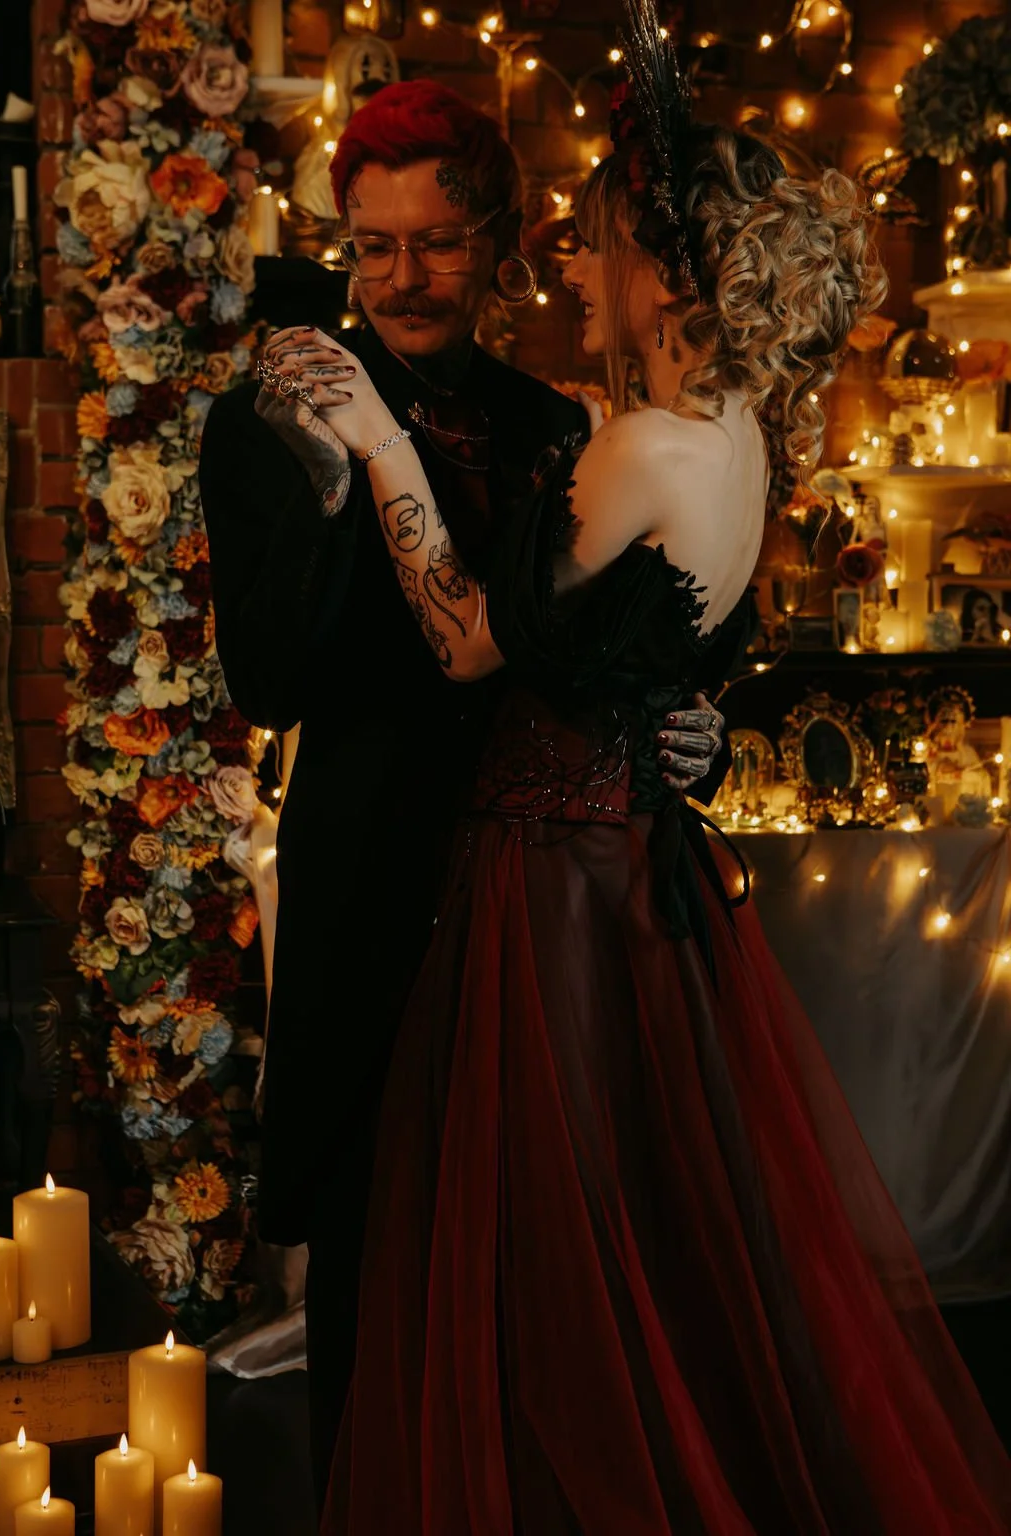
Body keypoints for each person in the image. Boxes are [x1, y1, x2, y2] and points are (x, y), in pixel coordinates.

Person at [267, 7, 1011, 1529]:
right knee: (644, 1236)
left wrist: (383, 451)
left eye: (596, 240)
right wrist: (676, 723)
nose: (572, 267)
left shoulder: (638, 448)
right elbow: (673, 650)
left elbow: (478, 647)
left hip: (549, 897)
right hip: (628, 887)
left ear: (671, 270)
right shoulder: (729, 440)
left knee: (550, 1248)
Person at [198, 79, 724, 1506]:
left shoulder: (561, 422)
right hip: (380, 901)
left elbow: (604, 644)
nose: (400, 278)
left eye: (433, 242)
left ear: (493, 239)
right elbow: (267, 680)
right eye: (371, 246)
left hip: (546, 925)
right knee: (378, 1279)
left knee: (553, 1276)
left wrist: (690, 726)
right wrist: (334, 476)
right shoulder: (274, 420)